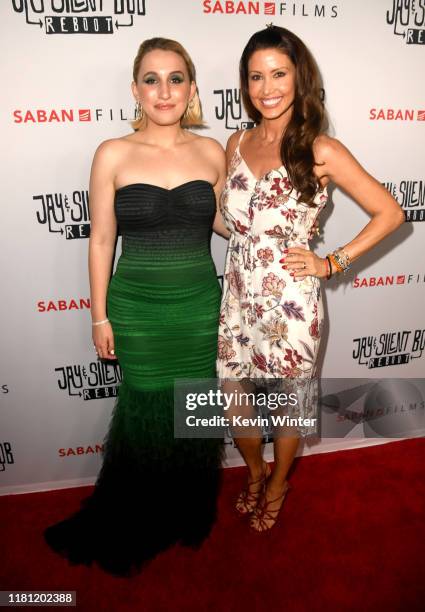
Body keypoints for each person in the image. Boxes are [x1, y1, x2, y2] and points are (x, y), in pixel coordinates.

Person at [44, 37, 228, 576]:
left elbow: (221, 223)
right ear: (135, 90)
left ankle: (186, 510)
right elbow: (101, 239)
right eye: (152, 79)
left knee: (193, 408)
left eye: (176, 78)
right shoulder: (113, 153)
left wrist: (272, 231)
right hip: (138, 308)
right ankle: (136, 516)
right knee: (146, 412)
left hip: (198, 304)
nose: (164, 90)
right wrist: (99, 315)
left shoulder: (212, 151)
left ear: (191, 88)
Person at [217, 26, 404, 532]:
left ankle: (278, 483)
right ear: (245, 83)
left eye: (278, 73)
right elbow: (231, 221)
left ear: (300, 78)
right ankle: (254, 472)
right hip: (237, 297)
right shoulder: (235, 142)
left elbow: (390, 212)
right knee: (235, 402)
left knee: (287, 409)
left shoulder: (321, 149)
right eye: (256, 76)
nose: (267, 87)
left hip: (292, 306)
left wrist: (331, 262)